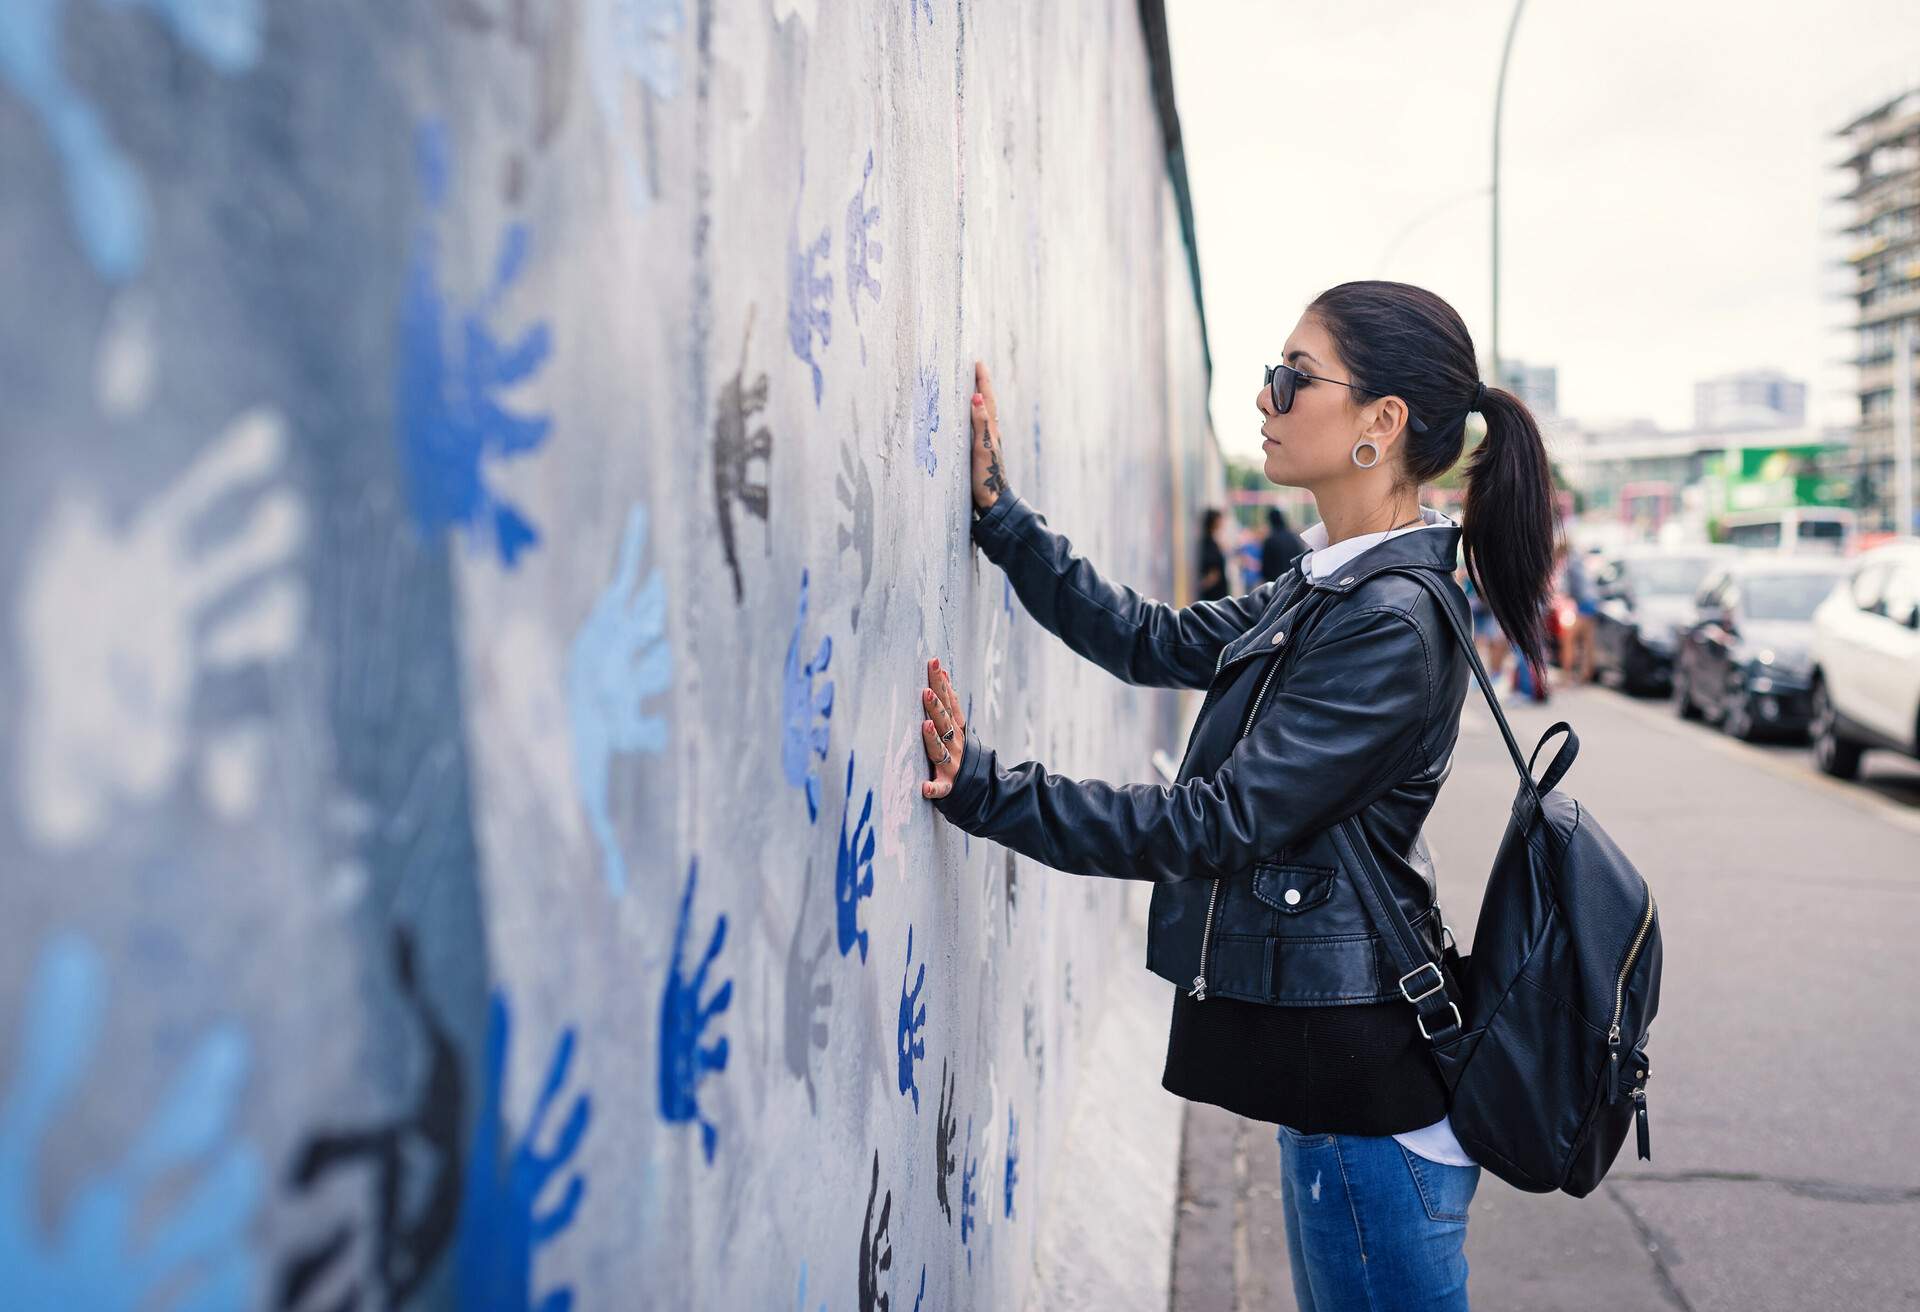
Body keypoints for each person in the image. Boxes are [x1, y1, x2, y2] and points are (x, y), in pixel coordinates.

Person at [919, 280, 1558, 1312]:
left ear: (1380, 424)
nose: (1266, 398)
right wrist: (1003, 521)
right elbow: (1151, 638)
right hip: (1341, 1086)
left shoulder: (1389, 621)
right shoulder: (1333, 586)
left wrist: (989, 790)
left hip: (1372, 1116)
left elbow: (1217, 822)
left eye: (1292, 377)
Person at [1558, 541, 1599, 685]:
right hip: (1591, 603)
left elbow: (1565, 589)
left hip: (1583, 604)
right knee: (1588, 641)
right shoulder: (1578, 559)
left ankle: (1566, 676)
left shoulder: (1569, 563)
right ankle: (1586, 674)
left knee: (1568, 640)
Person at [1261, 505, 1309, 584]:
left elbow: (1266, 568)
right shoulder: (1294, 538)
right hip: (1293, 583)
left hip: (1275, 585)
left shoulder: (1270, 540)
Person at [1197, 507, 1231, 601]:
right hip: (1214, 595)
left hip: (1216, 593)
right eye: (1220, 520)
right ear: (1214, 522)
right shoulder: (1208, 543)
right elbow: (1212, 573)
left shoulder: (1212, 541)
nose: (1222, 523)